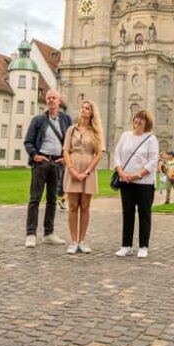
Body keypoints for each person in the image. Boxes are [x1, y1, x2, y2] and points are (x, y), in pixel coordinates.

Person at [23, 89, 72, 247]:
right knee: (35, 198)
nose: (51, 100)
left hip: (57, 163)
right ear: (46, 101)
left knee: (52, 200)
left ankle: (48, 233)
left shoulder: (66, 119)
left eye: (54, 98)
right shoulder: (38, 120)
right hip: (41, 162)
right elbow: (28, 141)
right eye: (49, 98)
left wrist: (66, 157)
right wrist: (35, 155)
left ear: (59, 101)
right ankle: (31, 234)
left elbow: (70, 141)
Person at [113, 110, 160, 258]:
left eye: (142, 119)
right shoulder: (125, 136)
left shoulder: (151, 139)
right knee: (127, 213)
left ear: (147, 122)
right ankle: (126, 245)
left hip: (144, 183)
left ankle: (143, 246)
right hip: (125, 181)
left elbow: (153, 161)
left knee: (144, 214)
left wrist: (137, 175)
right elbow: (117, 154)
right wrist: (120, 171)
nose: (138, 121)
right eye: (137, 118)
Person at [62, 100, 105, 254]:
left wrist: (86, 172)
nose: (84, 110)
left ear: (92, 113)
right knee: (73, 207)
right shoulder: (71, 130)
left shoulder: (95, 132)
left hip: (88, 170)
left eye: (87, 108)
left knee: (85, 207)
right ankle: (73, 241)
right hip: (73, 168)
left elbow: (99, 153)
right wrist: (71, 169)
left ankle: (82, 240)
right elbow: (66, 150)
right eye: (82, 108)